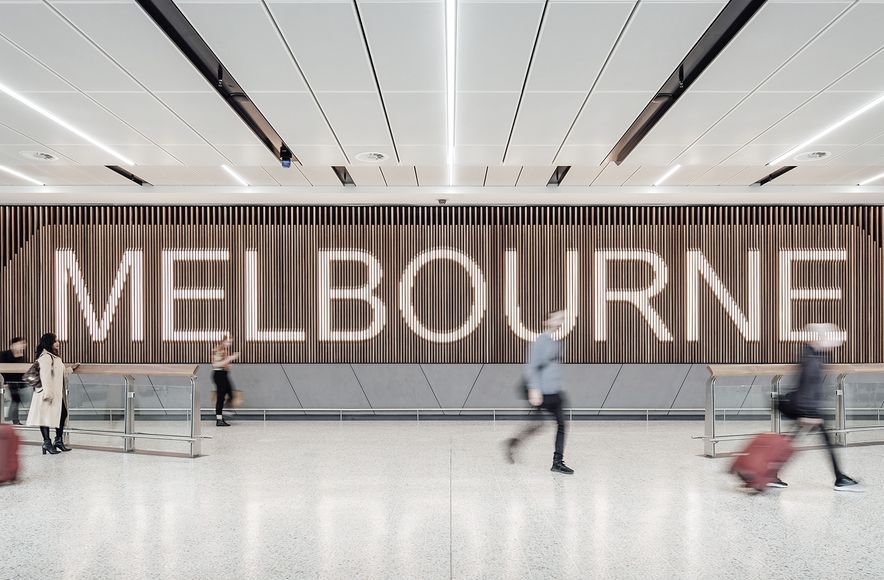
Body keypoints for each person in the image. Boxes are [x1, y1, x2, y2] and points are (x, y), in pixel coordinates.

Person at [777, 323, 862, 492]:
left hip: (807, 408)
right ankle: (839, 478)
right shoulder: (810, 358)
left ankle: (771, 473)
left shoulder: (815, 355)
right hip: (806, 408)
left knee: (792, 441)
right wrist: (808, 413)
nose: (833, 343)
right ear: (819, 338)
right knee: (807, 441)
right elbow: (806, 387)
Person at [505, 310, 574, 474]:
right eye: (556, 318)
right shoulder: (540, 341)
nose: (560, 321)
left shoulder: (556, 343)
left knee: (561, 425)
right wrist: (534, 389)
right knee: (539, 424)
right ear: (546, 321)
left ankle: (557, 462)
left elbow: (553, 368)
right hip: (543, 392)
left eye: (562, 319)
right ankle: (513, 444)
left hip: (555, 391)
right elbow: (532, 366)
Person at [26, 333, 74, 455]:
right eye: (55, 341)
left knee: (62, 414)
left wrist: (72, 369)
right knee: (45, 418)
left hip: (55, 394)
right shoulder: (46, 357)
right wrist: (48, 393)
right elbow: (45, 376)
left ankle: (58, 441)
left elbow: (60, 373)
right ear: (49, 343)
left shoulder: (55, 357)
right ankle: (47, 442)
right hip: (47, 394)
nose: (58, 343)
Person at [212, 334, 240, 427]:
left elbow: (225, 364)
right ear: (223, 341)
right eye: (228, 341)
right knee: (221, 397)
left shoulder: (225, 350)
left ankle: (225, 411)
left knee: (231, 394)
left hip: (224, 374)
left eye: (230, 342)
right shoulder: (218, 350)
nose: (229, 344)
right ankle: (219, 419)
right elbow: (215, 365)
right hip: (219, 374)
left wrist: (228, 364)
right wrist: (230, 358)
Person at [1, 337, 27, 425]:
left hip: (15, 383)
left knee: (16, 400)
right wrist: (4, 382)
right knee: (13, 400)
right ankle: (11, 418)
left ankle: (14, 419)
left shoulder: (21, 356)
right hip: (5, 382)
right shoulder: (4, 354)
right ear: (13, 344)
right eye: (20, 343)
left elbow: (21, 370)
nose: (22, 346)